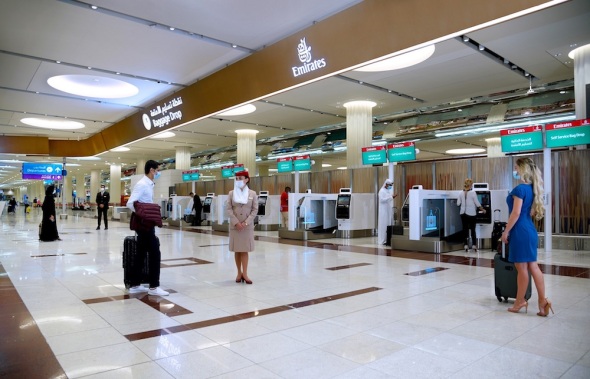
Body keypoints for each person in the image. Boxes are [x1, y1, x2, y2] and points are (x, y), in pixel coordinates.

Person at [502, 157, 553, 316]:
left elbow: (515, 213)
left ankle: (520, 301)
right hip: (529, 230)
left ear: (522, 169)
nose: (515, 171)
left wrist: (506, 231)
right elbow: (530, 212)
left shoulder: (519, 190)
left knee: (522, 268)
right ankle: (543, 302)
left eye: (516, 168)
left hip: (519, 231)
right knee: (533, 266)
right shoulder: (533, 189)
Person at [126, 160, 169, 296]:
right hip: (145, 225)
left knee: (141, 253)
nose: (158, 173)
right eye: (157, 170)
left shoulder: (149, 184)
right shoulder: (143, 184)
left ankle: (135, 284)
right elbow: (130, 203)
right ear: (152, 170)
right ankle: (154, 286)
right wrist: (142, 216)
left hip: (147, 224)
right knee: (155, 253)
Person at [226, 170, 258, 284]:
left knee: (244, 250)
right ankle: (238, 273)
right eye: (237, 178)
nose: (238, 180)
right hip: (235, 226)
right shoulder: (231, 193)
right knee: (237, 250)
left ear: (247, 179)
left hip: (246, 227)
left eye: (241, 178)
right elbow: (229, 209)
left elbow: (255, 210)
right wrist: (236, 222)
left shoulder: (252, 194)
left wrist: (246, 222)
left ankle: (245, 273)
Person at [457, 178, 485, 252]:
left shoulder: (460, 193)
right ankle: (474, 245)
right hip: (471, 213)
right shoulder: (473, 193)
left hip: (463, 213)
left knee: (465, 229)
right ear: (470, 185)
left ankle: (465, 245)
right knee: (473, 229)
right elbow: (477, 203)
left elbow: (458, 203)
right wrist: (483, 209)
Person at [377, 179, 397, 245]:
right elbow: (382, 200)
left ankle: (387, 239)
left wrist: (391, 197)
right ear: (386, 184)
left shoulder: (387, 191)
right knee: (383, 225)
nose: (390, 186)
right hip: (383, 211)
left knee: (388, 224)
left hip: (388, 210)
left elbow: (389, 199)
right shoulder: (381, 191)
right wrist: (391, 197)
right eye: (390, 185)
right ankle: (382, 240)